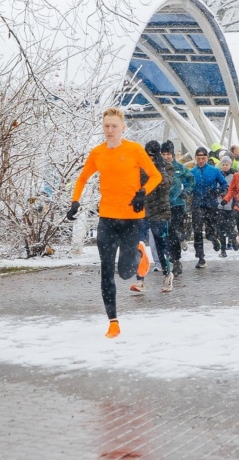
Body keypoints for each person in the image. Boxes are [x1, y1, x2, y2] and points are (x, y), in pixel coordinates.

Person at [68, 107, 162, 338]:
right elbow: (82, 178)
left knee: (125, 272)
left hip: (131, 219)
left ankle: (139, 253)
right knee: (106, 270)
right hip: (107, 218)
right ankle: (113, 322)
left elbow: (156, 176)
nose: (110, 130)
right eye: (106, 126)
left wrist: (142, 193)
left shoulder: (134, 150)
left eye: (114, 126)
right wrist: (75, 201)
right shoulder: (98, 153)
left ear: (122, 128)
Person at [132, 140, 174, 293]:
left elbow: (166, 185)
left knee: (161, 246)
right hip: (142, 211)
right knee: (139, 245)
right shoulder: (140, 166)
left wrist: (158, 169)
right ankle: (140, 280)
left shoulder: (167, 166)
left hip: (160, 211)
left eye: (152, 156)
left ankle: (167, 274)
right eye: (147, 155)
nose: (149, 158)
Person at [190, 146, 227, 268]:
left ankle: (214, 238)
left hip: (211, 205)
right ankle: (201, 257)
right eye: (198, 158)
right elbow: (187, 186)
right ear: (195, 158)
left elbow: (224, 184)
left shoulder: (214, 170)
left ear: (207, 158)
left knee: (210, 230)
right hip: (197, 205)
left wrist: (217, 191)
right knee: (197, 230)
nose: (201, 161)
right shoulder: (192, 172)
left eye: (203, 158)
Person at [161, 141, 195, 275]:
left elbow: (191, 180)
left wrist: (186, 191)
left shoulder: (180, 168)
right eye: (163, 154)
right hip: (163, 205)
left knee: (172, 229)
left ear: (173, 154)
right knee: (167, 232)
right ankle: (171, 257)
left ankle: (176, 260)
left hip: (178, 204)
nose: (166, 157)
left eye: (168, 154)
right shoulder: (158, 168)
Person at [216, 155, 236, 257]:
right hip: (220, 205)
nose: (225, 166)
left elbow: (234, 190)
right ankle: (223, 249)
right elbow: (216, 187)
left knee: (230, 226)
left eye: (226, 164)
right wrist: (218, 191)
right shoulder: (218, 175)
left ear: (230, 165)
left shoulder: (233, 176)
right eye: (223, 164)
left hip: (230, 205)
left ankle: (232, 240)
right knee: (221, 227)